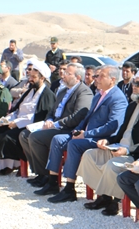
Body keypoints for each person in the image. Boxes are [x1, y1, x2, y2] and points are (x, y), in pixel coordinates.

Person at [78, 69, 139, 216]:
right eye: (133, 83)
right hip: (118, 148)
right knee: (89, 155)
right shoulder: (132, 105)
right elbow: (121, 132)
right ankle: (104, 196)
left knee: (112, 165)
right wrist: (108, 141)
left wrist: (128, 150)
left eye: (137, 84)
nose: (133, 86)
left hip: (135, 154)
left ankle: (116, 201)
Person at [46, 65, 128, 203]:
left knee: (74, 144)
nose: (97, 79)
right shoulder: (99, 95)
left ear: (112, 80)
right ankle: (52, 182)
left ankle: (69, 188)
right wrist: (77, 130)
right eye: (97, 76)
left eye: (101, 76)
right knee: (58, 139)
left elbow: (113, 126)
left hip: (101, 139)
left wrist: (86, 134)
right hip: (87, 135)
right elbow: (86, 118)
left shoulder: (117, 98)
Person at [22, 63, 94, 187]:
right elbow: (52, 111)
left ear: (78, 77)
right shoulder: (63, 91)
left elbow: (78, 116)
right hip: (55, 125)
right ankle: (40, 172)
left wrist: (55, 124)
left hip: (68, 129)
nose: (63, 75)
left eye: (68, 73)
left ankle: (47, 176)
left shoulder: (84, 92)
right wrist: (49, 120)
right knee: (24, 135)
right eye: (64, 73)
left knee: (35, 137)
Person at [0, 61, 55, 175]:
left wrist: (16, 123)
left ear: (42, 78)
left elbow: (38, 116)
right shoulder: (30, 91)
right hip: (16, 122)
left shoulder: (47, 94)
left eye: (33, 77)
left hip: (29, 126)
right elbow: (17, 110)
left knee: (8, 137)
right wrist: (7, 119)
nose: (30, 79)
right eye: (30, 77)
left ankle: (15, 164)